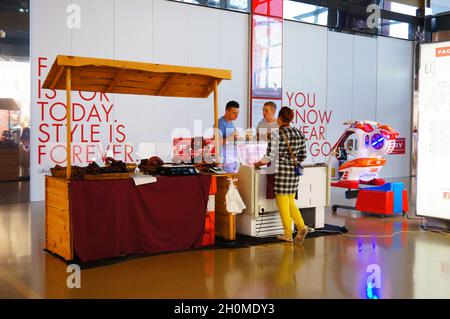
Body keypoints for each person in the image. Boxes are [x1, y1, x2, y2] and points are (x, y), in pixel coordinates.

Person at [254, 107, 308, 243]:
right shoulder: (299, 133)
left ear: (279, 118)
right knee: (290, 201)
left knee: (283, 204)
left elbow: (269, 157)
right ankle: (301, 226)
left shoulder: (277, 134)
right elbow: (303, 155)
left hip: (281, 172)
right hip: (294, 174)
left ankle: (288, 234)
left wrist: (257, 164)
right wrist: (292, 162)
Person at [216, 101, 240, 171]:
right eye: (234, 113)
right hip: (224, 162)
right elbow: (218, 142)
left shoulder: (231, 123)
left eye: (238, 113)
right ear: (227, 111)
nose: (236, 116)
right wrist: (232, 137)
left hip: (232, 160)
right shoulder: (220, 123)